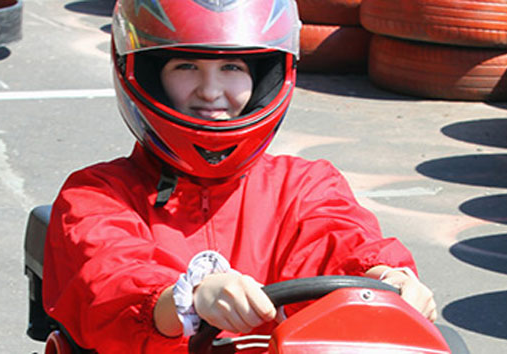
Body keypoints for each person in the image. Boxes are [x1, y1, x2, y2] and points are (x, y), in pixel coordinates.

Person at [42, 0, 437, 352]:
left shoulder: (304, 185)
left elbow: (340, 238)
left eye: (231, 67)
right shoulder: (97, 194)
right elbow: (111, 277)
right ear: (145, 75)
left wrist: (386, 277)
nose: (211, 92)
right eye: (187, 66)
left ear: (265, 77)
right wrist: (189, 297)